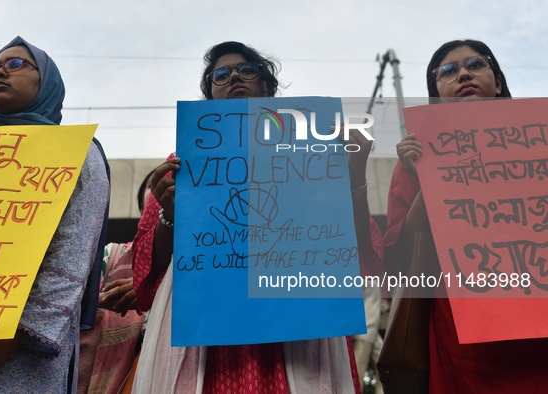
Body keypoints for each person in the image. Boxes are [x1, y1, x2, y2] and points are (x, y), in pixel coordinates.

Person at [131, 41, 383, 394]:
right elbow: (146, 272)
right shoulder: (183, 162)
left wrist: (354, 176)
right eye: (220, 74)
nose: (234, 75)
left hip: (293, 325)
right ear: (210, 97)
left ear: (267, 86)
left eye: (247, 68)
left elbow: (355, 252)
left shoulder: (310, 148)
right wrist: (171, 217)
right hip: (206, 331)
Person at [383, 39, 548, 393]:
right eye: (447, 71)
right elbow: (399, 254)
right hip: (463, 341)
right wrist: (430, 175)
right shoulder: (415, 159)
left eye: (475, 64)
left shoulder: (540, 142)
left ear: (498, 82)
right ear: (436, 96)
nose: (462, 74)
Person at [0, 36, 109, 393]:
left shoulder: (79, 154)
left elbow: (74, 253)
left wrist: (20, 332)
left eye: (14, 65)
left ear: (48, 82)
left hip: (28, 355)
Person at [78, 169, 155, 394]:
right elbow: (66, 302)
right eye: (155, 183)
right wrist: (102, 300)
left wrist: (150, 292)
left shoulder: (195, 268)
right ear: (143, 210)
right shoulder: (109, 256)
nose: (169, 185)